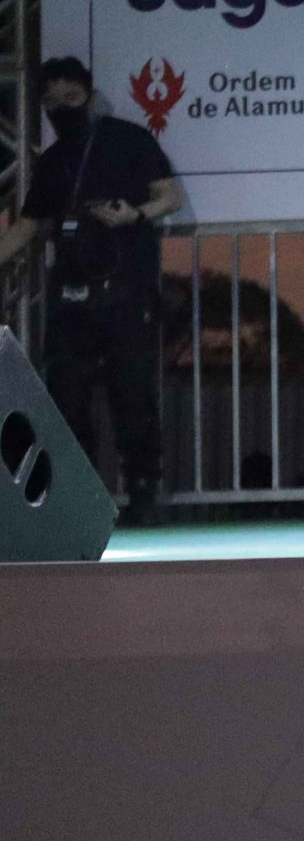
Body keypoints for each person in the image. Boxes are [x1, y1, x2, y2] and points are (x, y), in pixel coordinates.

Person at [0, 58, 186, 518]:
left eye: (71, 98)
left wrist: (134, 214)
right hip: (70, 294)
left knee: (133, 392)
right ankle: (78, 498)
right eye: (51, 102)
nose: (61, 108)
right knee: (66, 397)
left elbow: (171, 196)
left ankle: (143, 492)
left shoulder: (128, 139)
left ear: (89, 95)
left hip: (127, 289)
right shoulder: (53, 161)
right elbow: (27, 226)